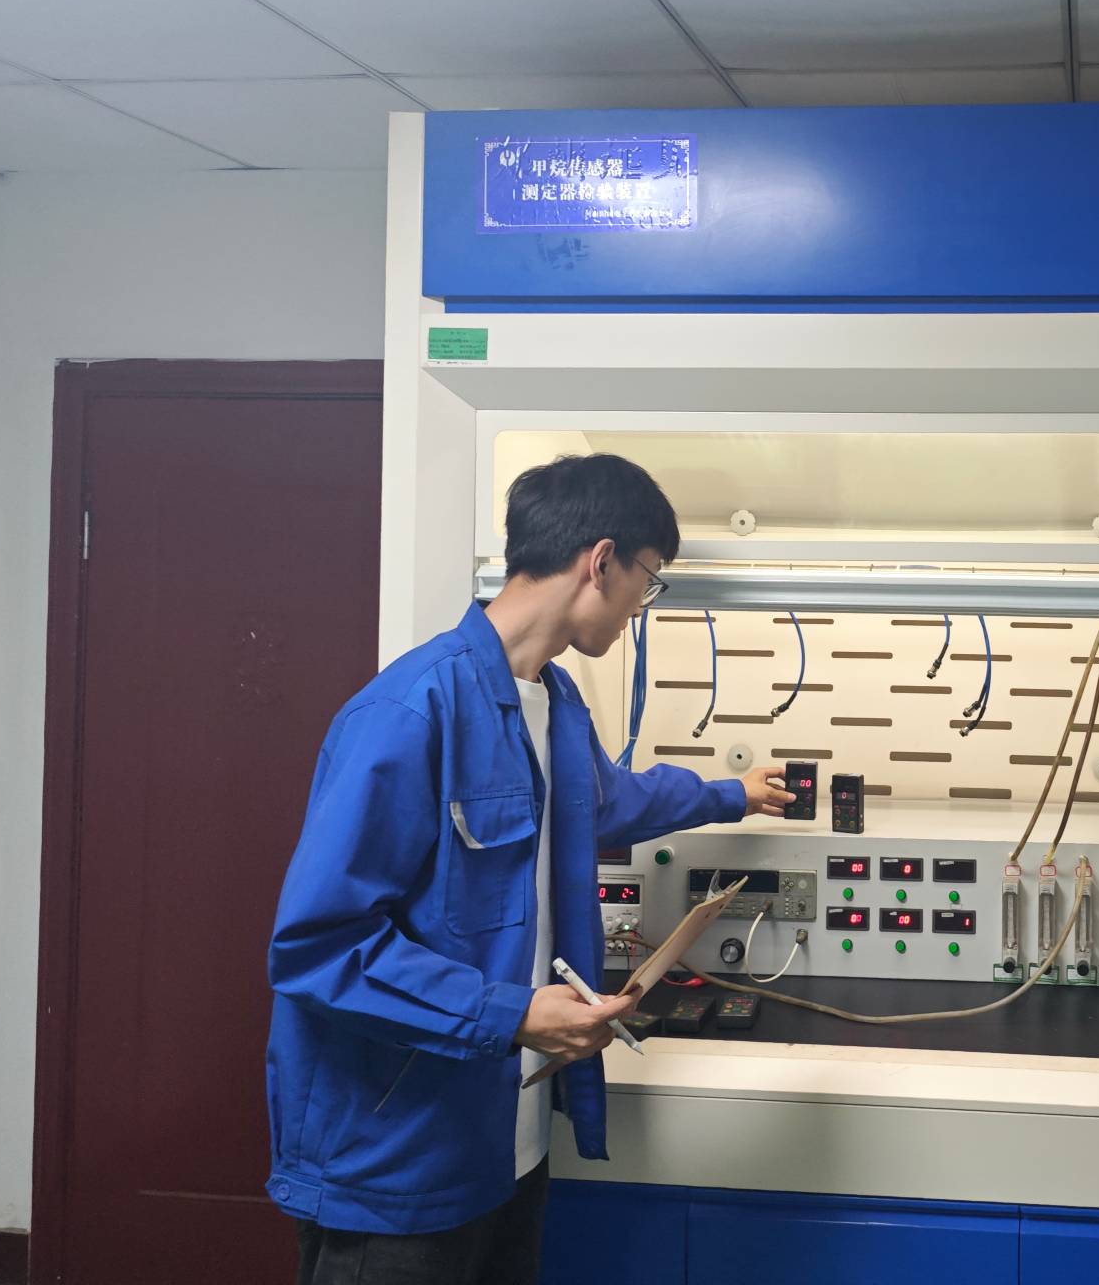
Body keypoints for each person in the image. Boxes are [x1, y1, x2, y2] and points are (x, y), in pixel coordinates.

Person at [267, 453, 793, 1285]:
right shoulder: (410, 711)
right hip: (398, 1164)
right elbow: (319, 947)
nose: (641, 606)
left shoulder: (555, 702)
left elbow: (609, 803)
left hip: (509, 1148)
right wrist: (510, 1013)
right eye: (649, 579)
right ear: (602, 561)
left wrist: (734, 794)